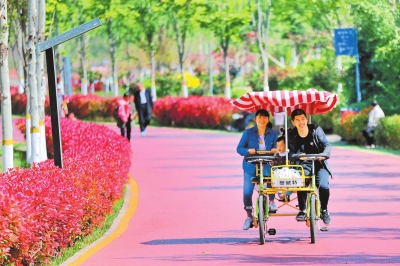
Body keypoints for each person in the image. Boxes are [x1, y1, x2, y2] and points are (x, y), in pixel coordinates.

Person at [287, 109, 332, 225]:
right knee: (301, 183)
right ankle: (302, 209)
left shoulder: (316, 130)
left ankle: (324, 210)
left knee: (323, 186)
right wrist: (297, 156)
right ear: (293, 122)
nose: (301, 122)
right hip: (303, 165)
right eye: (297, 120)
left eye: (303, 119)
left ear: (306, 119)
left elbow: (327, 145)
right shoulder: (291, 135)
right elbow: (290, 154)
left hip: (320, 163)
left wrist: (324, 154)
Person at [237, 109, 278, 230]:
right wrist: (247, 151)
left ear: (268, 120)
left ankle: (271, 202)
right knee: (247, 193)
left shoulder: (273, 133)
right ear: (255, 119)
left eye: (265, 117)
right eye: (260, 117)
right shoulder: (248, 132)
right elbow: (239, 149)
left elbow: (278, 147)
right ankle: (249, 215)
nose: (262, 119)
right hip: (251, 164)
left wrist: (275, 150)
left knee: (270, 176)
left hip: (266, 163)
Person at [273, 135, 293, 201]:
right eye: (278, 146)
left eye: (281, 146)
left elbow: (293, 162)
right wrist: (273, 163)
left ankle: (287, 193)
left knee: (291, 180)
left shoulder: (289, 154)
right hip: (279, 173)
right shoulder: (277, 155)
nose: (279, 148)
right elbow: (274, 164)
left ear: (286, 145)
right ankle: (280, 193)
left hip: (288, 173)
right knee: (276, 179)